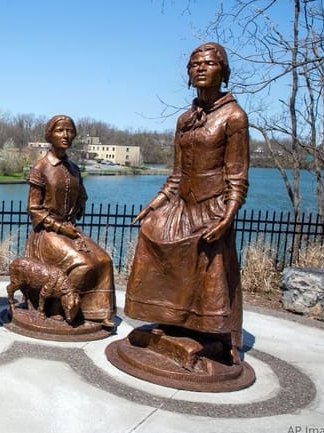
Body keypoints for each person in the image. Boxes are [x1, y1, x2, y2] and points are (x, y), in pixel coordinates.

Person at [125, 42, 249, 353]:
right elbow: (177, 175)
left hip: (212, 205)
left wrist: (228, 215)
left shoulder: (233, 117)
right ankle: (168, 316)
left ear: (223, 71)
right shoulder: (185, 120)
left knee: (201, 251)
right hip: (182, 204)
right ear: (188, 75)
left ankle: (206, 328)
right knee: (151, 232)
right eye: (195, 65)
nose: (201, 69)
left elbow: (237, 176)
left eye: (208, 63)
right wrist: (153, 206)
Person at [25, 115, 115, 326]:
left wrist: (76, 210)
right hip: (48, 232)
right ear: (50, 135)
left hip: (70, 228)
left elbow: (82, 195)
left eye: (70, 131)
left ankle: (98, 311)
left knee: (104, 261)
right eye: (60, 131)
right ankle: (57, 306)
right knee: (83, 264)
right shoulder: (41, 167)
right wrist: (59, 227)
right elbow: (33, 209)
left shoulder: (74, 168)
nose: (66, 135)